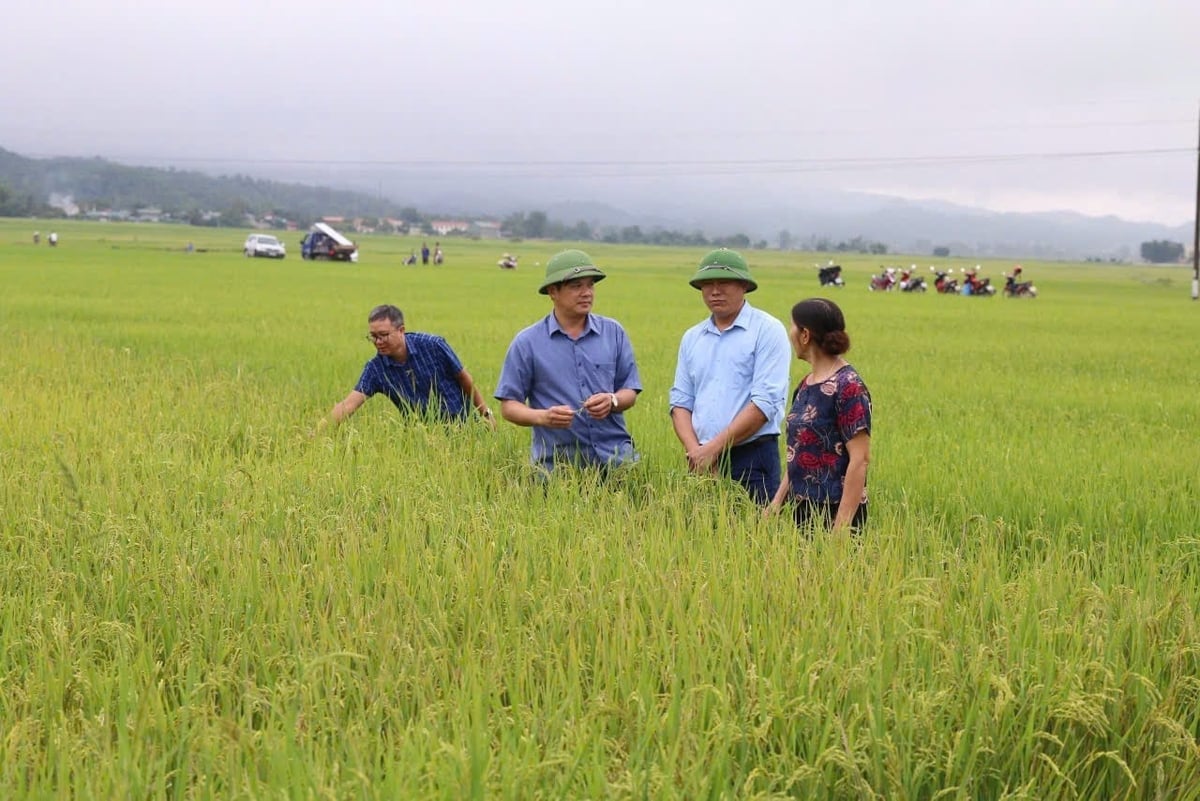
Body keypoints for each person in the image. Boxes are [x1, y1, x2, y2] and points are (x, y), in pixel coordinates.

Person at [495, 249, 641, 473]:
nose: (586, 293)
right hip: (557, 468)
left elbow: (629, 391)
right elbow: (509, 406)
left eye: (590, 285)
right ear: (553, 291)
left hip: (617, 462)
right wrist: (543, 417)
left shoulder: (614, 333)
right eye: (576, 286)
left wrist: (612, 400)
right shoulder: (527, 342)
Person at [669, 248, 790, 505]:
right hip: (699, 460)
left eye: (723, 282)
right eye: (707, 284)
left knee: (754, 538)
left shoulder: (767, 330)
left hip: (752, 458)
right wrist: (696, 452)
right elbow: (680, 402)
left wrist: (712, 450)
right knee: (700, 538)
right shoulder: (692, 337)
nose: (715, 291)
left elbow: (764, 404)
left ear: (744, 285)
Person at [767, 298, 871, 531]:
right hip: (801, 508)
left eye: (792, 326)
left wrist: (840, 529)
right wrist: (776, 504)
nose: (789, 332)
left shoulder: (849, 386)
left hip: (836, 510)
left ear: (805, 335)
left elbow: (860, 460)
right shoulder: (806, 385)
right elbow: (798, 452)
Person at [318, 305, 494, 430]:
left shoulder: (433, 346)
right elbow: (348, 405)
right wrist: (316, 435)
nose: (378, 342)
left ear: (401, 330)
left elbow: (464, 378)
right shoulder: (376, 369)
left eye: (384, 335)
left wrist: (486, 414)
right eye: (373, 337)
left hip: (465, 427)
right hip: (424, 438)